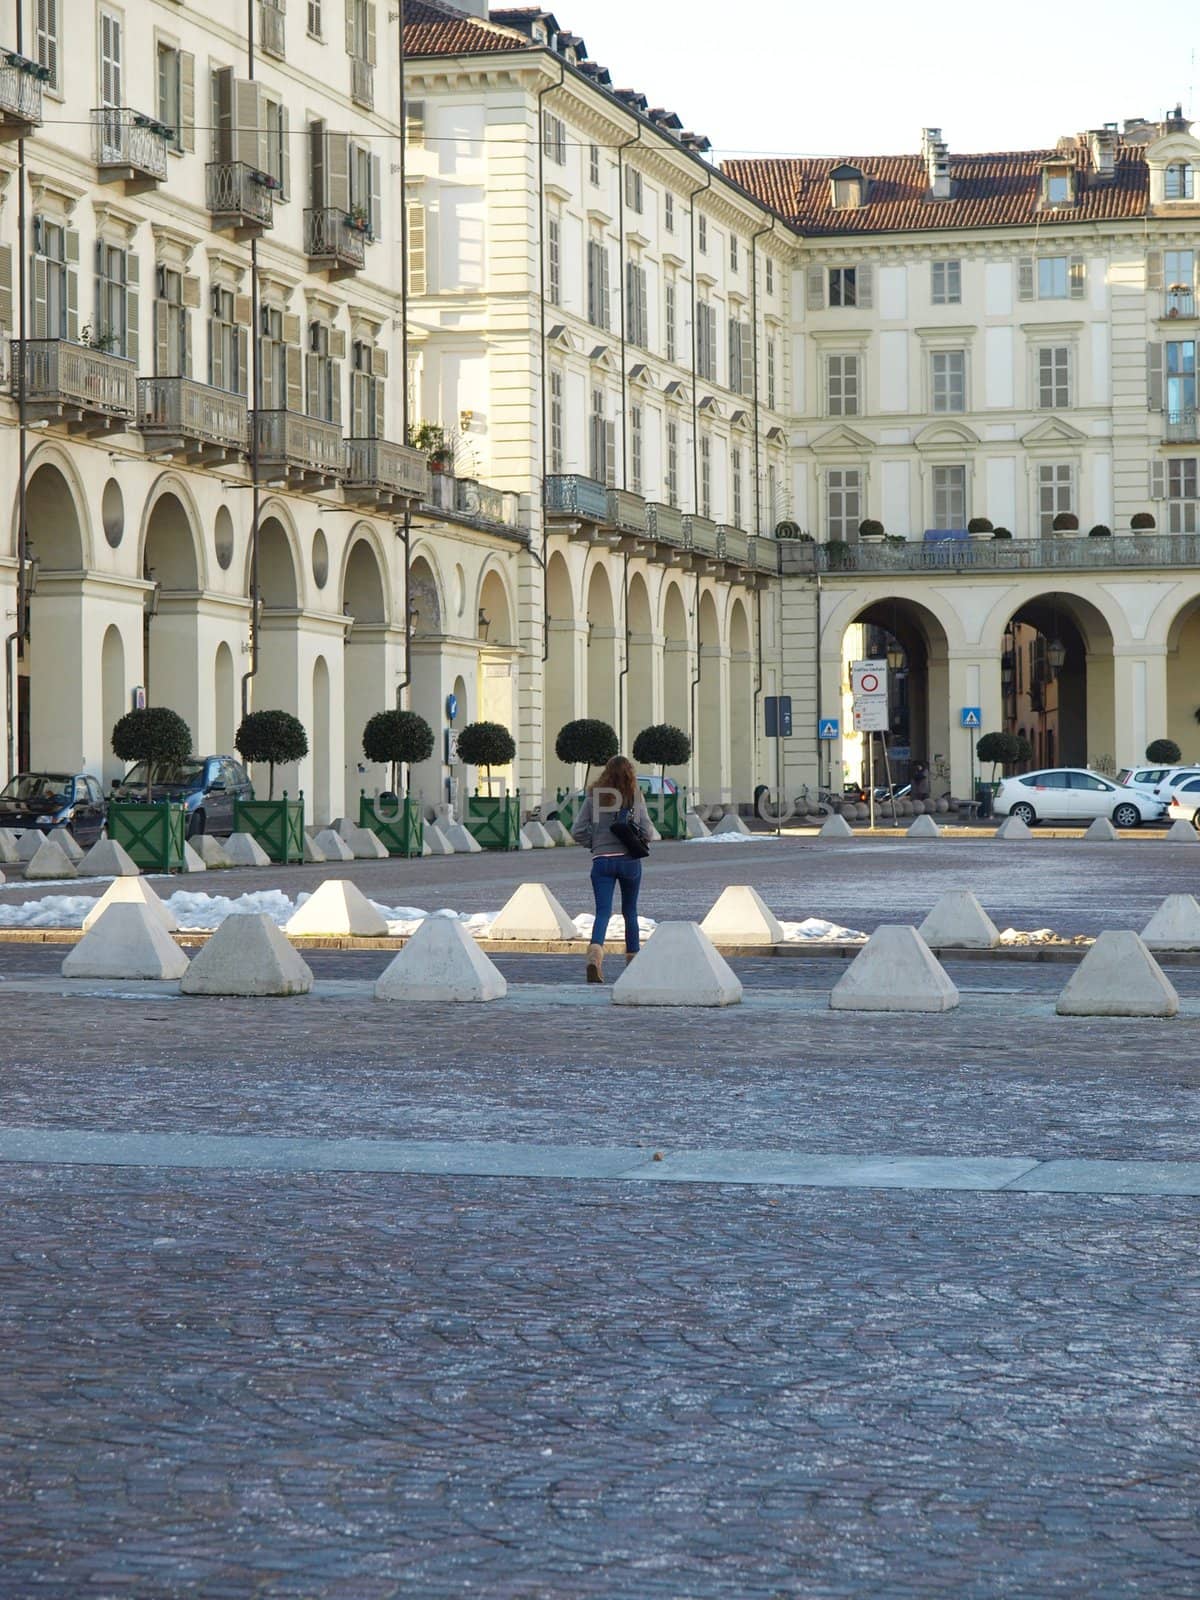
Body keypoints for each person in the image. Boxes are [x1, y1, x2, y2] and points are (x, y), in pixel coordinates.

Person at [571, 754, 652, 983]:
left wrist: (595, 843)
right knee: (630, 912)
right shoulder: (634, 797)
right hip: (629, 862)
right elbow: (648, 832)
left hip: (602, 861)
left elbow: (577, 830)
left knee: (603, 912)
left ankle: (594, 957)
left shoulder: (594, 798)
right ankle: (634, 962)